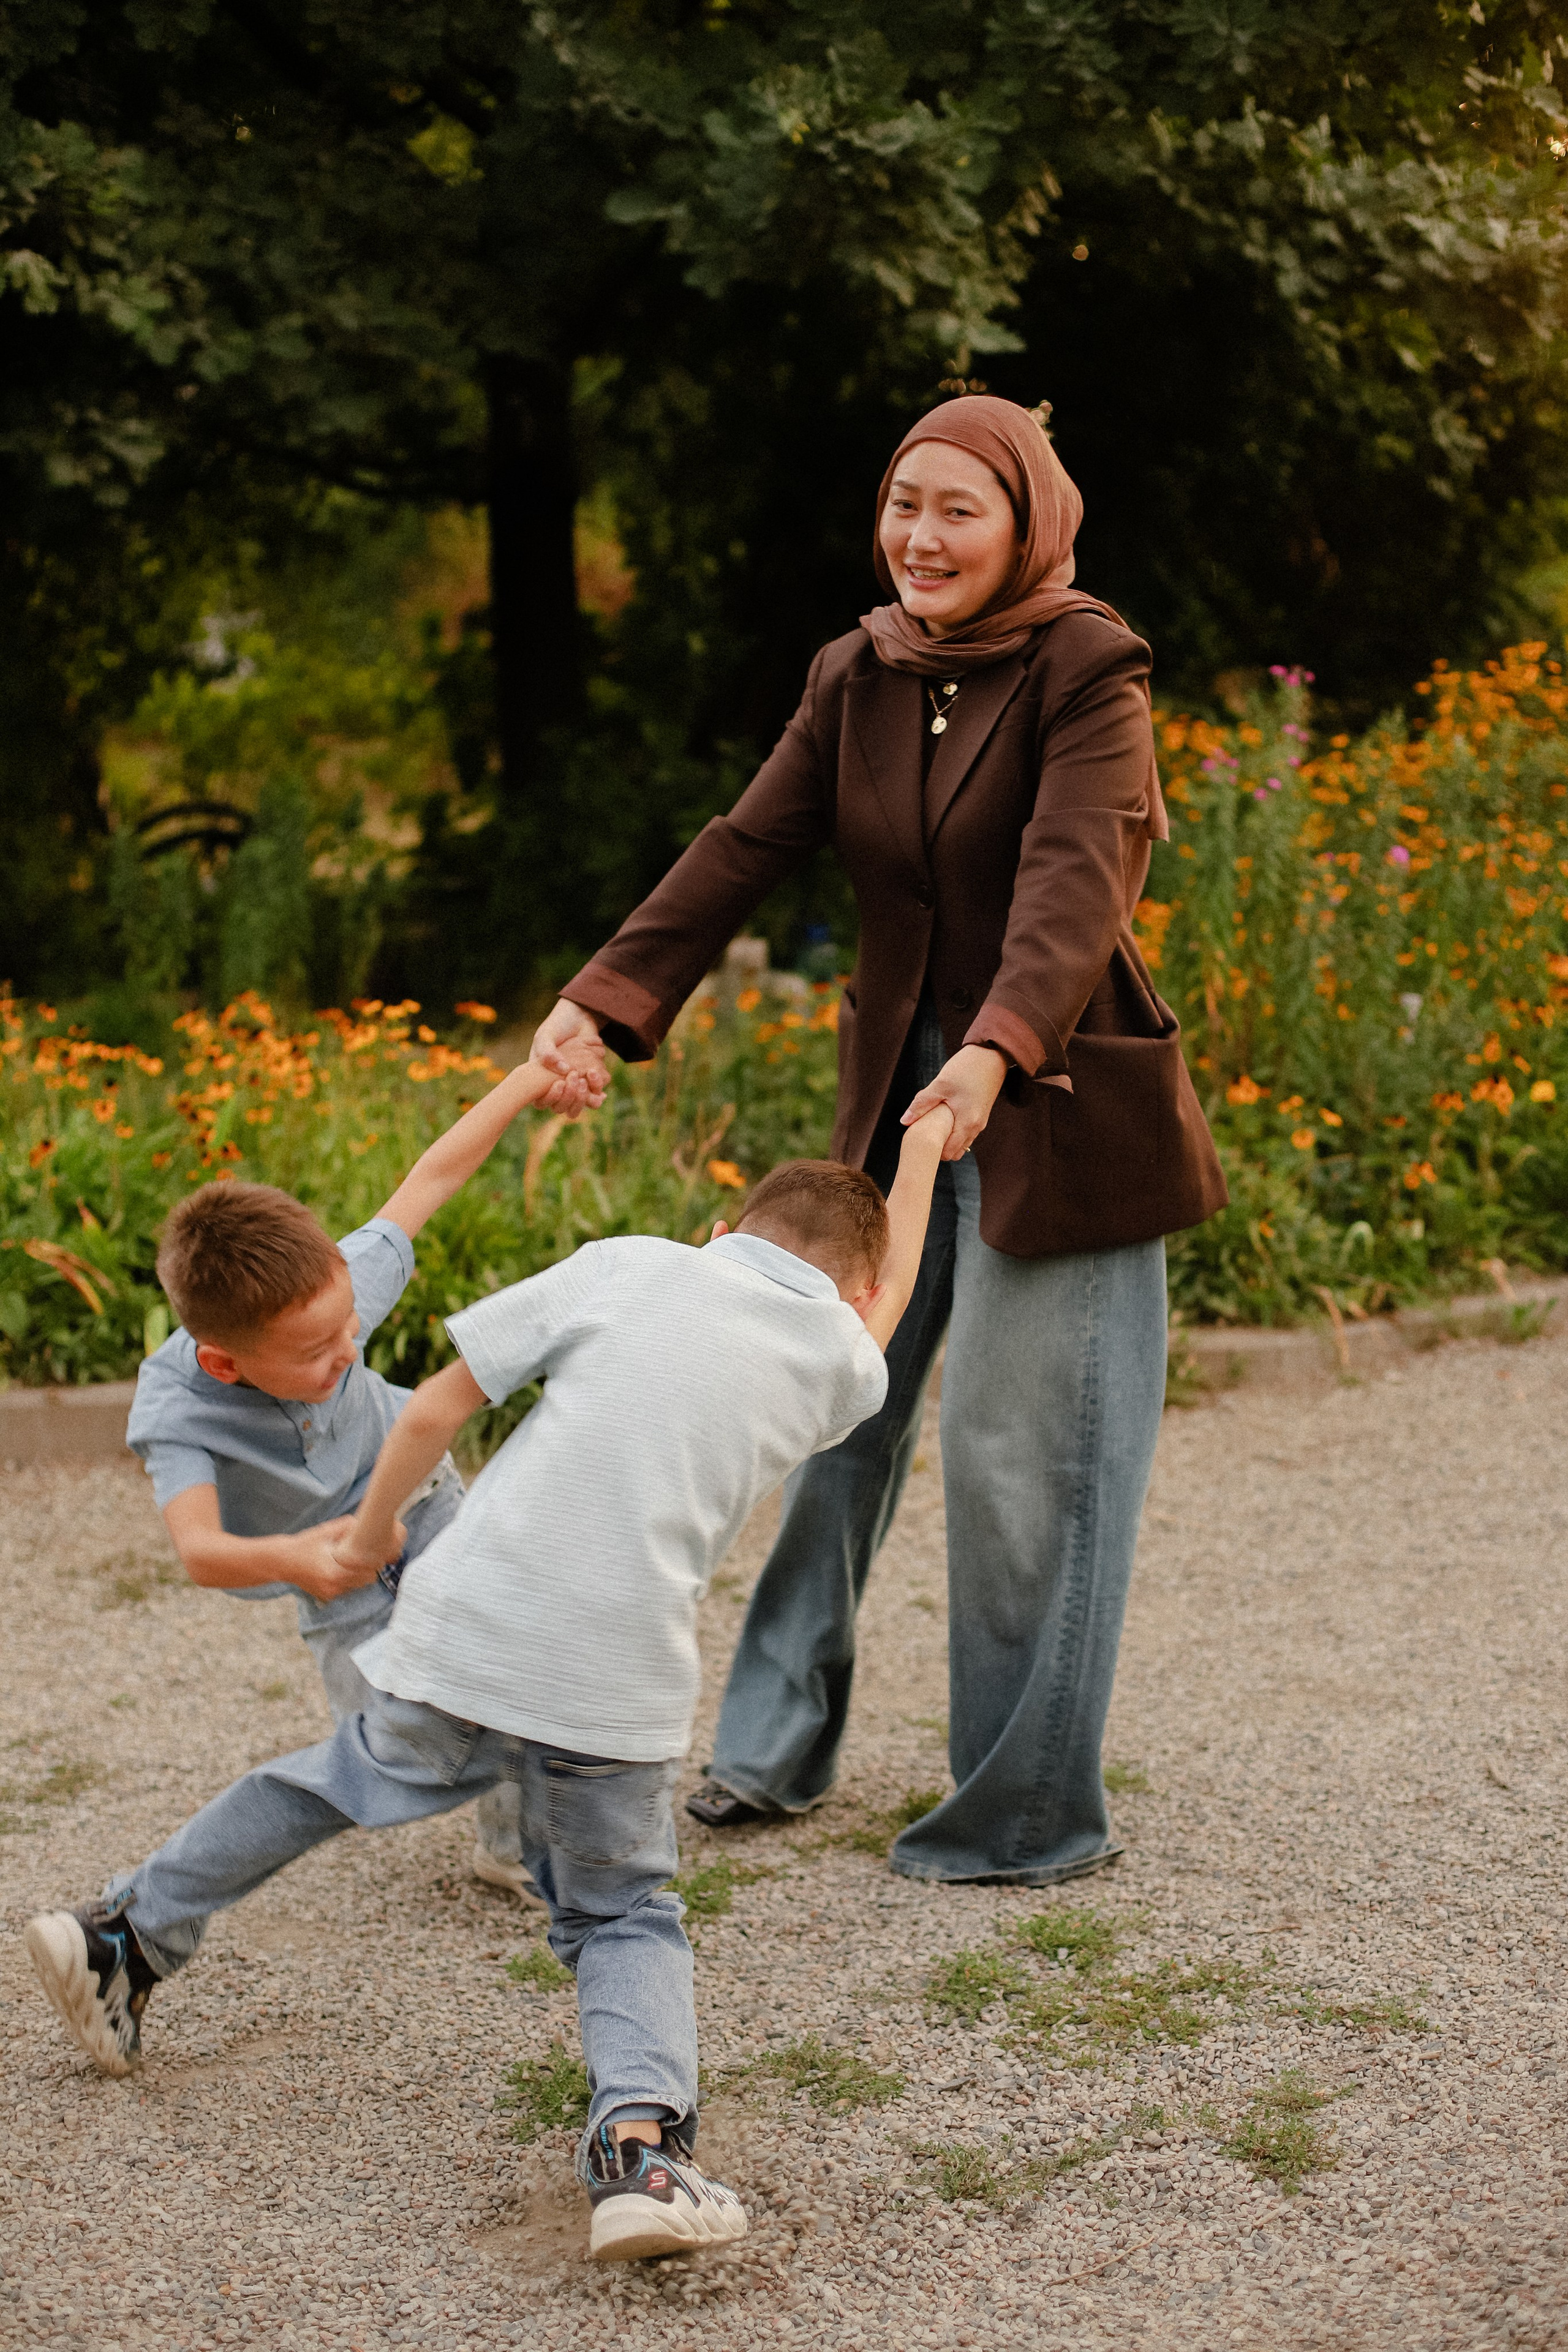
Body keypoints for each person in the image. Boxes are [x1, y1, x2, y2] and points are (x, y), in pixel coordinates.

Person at [23, 1114, 953, 2261]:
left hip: (467, 1624)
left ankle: (125, 1933)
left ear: (718, 1233)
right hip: (615, 1677)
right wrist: (926, 1146)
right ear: (854, 1298)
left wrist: (373, 1532)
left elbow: (434, 1406)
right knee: (621, 1913)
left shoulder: (629, 1262)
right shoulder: (845, 1356)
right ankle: (640, 2155)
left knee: (334, 1781)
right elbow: (889, 1294)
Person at [532, 392, 1227, 1887]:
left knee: (1014, 1457)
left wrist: (994, 1047)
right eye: (904, 503)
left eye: (958, 509)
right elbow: (742, 847)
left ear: (1025, 525)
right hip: (896, 1090)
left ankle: (1024, 1812)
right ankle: (772, 1750)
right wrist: (603, 1003)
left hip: (1050, 1098)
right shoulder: (858, 670)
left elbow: (1076, 881)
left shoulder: (1087, 666)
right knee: (825, 1414)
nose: (921, 535)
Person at [126, 1040, 603, 1903]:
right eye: (317, 1351)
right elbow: (199, 1551)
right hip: (334, 1572)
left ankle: (522, 1847)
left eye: (350, 1327)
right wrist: (298, 1560)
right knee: (400, 1743)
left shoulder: (327, 1292)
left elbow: (432, 1177)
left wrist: (528, 1081)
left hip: (423, 1501)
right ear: (226, 1362)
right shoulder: (177, 1412)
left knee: (512, 1657)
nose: (348, 1351)